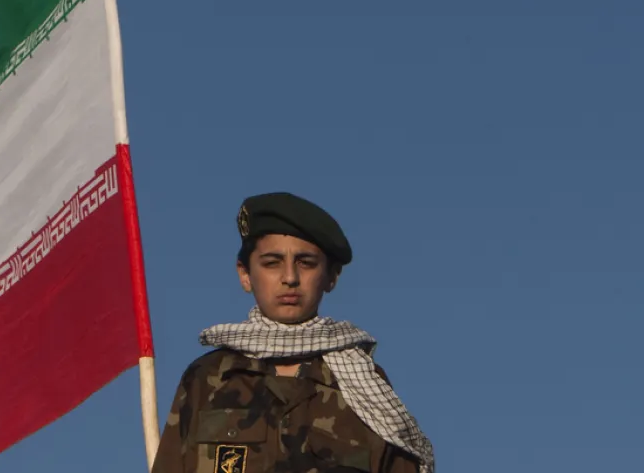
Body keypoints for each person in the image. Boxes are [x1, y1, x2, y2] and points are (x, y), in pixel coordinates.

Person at [151, 192, 434, 473]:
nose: (289, 278)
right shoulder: (208, 378)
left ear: (331, 276)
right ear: (245, 275)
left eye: (306, 263)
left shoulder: (365, 388)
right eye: (271, 263)